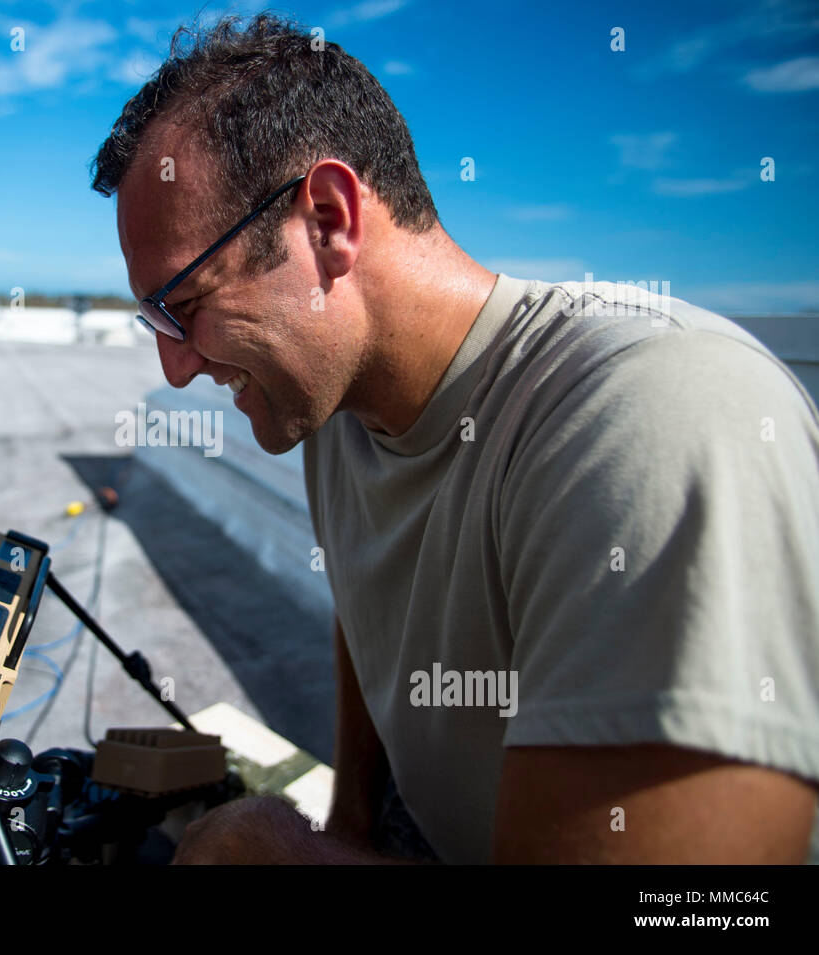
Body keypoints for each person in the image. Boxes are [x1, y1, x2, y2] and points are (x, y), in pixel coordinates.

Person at [90, 14, 819, 864]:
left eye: (182, 304)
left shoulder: (652, 408)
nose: (174, 368)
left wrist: (280, 851)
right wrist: (352, 822)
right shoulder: (335, 405)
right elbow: (369, 613)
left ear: (328, 220)